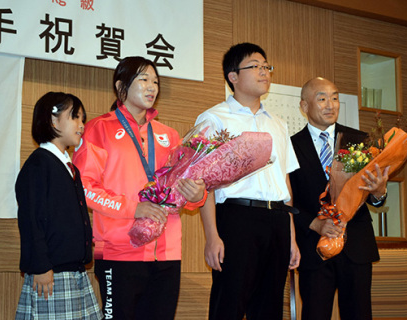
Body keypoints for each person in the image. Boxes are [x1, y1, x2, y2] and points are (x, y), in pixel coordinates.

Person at [72, 56, 207, 320]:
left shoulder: (169, 135)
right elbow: (85, 188)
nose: (152, 87)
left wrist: (197, 196)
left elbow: (181, 190)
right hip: (117, 251)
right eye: (143, 79)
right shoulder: (99, 129)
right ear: (121, 86)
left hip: (167, 254)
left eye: (155, 81)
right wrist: (134, 208)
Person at [195, 42, 301, 320]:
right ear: (233, 76)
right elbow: (203, 182)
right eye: (256, 66)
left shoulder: (278, 124)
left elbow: (284, 181)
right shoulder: (213, 119)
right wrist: (212, 236)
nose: (264, 72)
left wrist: (291, 237)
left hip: (277, 220)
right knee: (229, 304)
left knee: (269, 308)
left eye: (267, 66)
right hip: (237, 218)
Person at [289, 77, 389, 320]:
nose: (330, 104)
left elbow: (375, 199)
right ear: (304, 106)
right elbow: (287, 202)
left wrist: (379, 192)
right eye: (322, 99)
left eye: (335, 98)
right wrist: (314, 223)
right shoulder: (290, 146)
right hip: (314, 248)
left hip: (356, 246)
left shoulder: (361, 140)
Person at [15, 92, 102, 320]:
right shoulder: (39, 164)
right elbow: (31, 219)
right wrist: (40, 267)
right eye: (75, 117)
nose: (81, 125)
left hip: (74, 272)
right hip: (51, 275)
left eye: (83, 119)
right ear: (53, 121)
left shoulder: (70, 167)